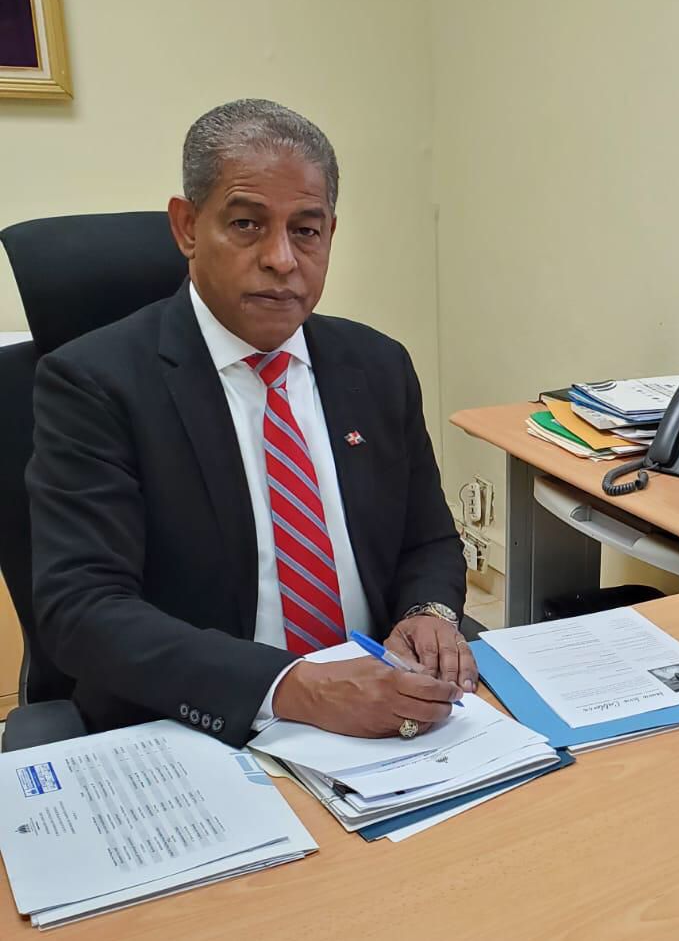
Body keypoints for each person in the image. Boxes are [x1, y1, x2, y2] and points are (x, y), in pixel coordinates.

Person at [27, 98, 475, 748]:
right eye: (246, 224)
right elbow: (83, 609)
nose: (282, 259)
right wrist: (295, 688)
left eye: (307, 230)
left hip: (379, 714)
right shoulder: (94, 383)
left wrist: (428, 616)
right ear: (187, 227)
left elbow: (427, 540)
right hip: (198, 726)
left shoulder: (378, 365)